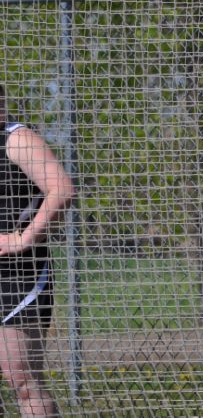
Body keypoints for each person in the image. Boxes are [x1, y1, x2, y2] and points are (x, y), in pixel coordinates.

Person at [0, 84, 74, 417]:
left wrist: (25, 238)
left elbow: (61, 190)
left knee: (21, 379)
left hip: (18, 276)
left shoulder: (17, 139)